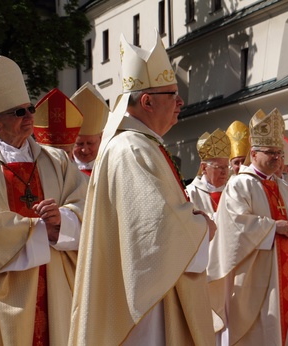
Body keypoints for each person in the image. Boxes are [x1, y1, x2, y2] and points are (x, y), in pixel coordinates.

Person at [69, 32, 216, 345]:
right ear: (147, 101)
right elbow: (155, 231)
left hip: (153, 291)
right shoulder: (131, 149)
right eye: (173, 94)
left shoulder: (142, 145)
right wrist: (202, 226)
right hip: (145, 303)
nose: (181, 102)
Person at [0, 56, 87, 344]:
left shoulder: (57, 160)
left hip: (57, 283)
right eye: (19, 112)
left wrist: (63, 222)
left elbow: (86, 206)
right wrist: (40, 229)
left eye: (30, 109)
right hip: (8, 291)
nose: (30, 117)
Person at [208, 108, 288, 345]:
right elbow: (236, 226)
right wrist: (274, 228)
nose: (277, 158)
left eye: (279, 153)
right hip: (255, 281)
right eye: (271, 152)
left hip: (287, 275)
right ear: (253, 154)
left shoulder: (286, 189)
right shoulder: (239, 186)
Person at [186, 128, 231, 218]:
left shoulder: (233, 189)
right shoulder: (191, 193)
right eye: (219, 167)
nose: (224, 172)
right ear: (204, 167)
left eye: (226, 167)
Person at [70, 82, 109, 176]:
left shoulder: (110, 165)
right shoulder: (65, 166)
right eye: (79, 144)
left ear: (101, 138)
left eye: (90, 143)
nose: (85, 149)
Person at [34, 88, 84, 160]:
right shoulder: (33, 170)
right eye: (53, 153)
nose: (61, 160)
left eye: (66, 153)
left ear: (72, 150)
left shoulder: (77, 171)